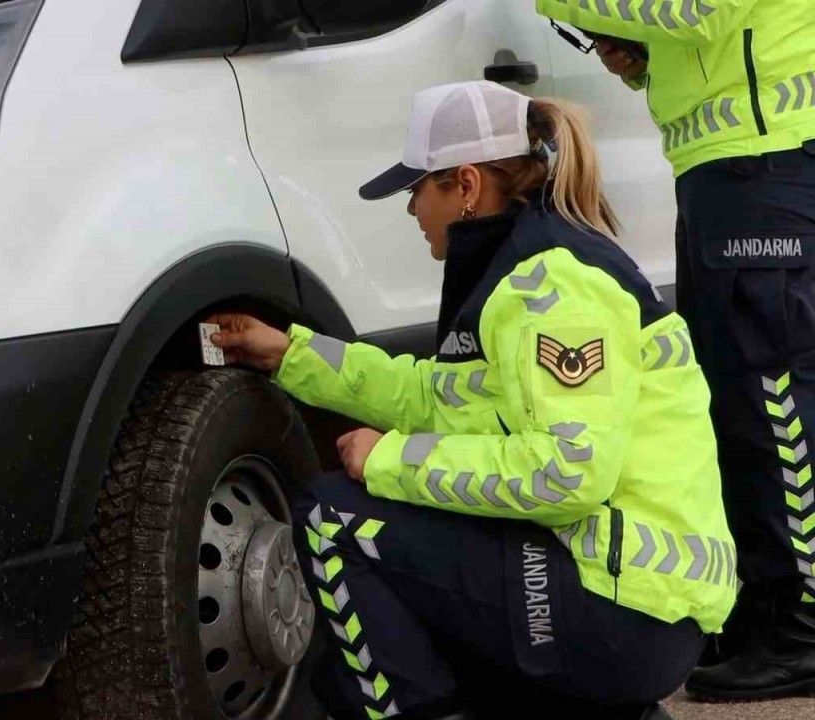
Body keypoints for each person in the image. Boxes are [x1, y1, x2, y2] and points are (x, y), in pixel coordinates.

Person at [209, 81, 736, 720]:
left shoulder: (551, 288)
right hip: (624, 595)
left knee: (334, 518)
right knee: (416, 568)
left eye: (416, 190)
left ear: (465, 185)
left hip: (625, 610)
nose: (411, 210)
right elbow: (436, 396)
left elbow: (567, 473)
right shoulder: (524, 267)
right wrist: (289, 353)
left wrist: (389, 461)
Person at [534, 0, 815, 700]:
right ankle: (767, 609)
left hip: (769, 161)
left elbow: (697, 10)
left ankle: (804, 627)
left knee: (774, 401)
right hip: (727, 166)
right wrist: (641, 57)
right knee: (732, 406)